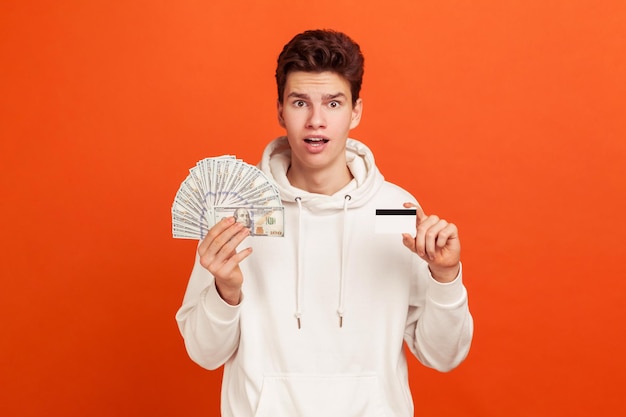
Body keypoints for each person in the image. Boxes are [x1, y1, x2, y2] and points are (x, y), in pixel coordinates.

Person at [176, 29, 473, 417]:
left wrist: (446, 277)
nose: (316, 121)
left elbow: (442, 355)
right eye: (301, 102)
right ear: (280, 110)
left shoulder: (392, 210)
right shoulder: (240, 212)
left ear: (356, 111)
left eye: (333, 103)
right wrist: (224, 291)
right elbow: (204, 354)